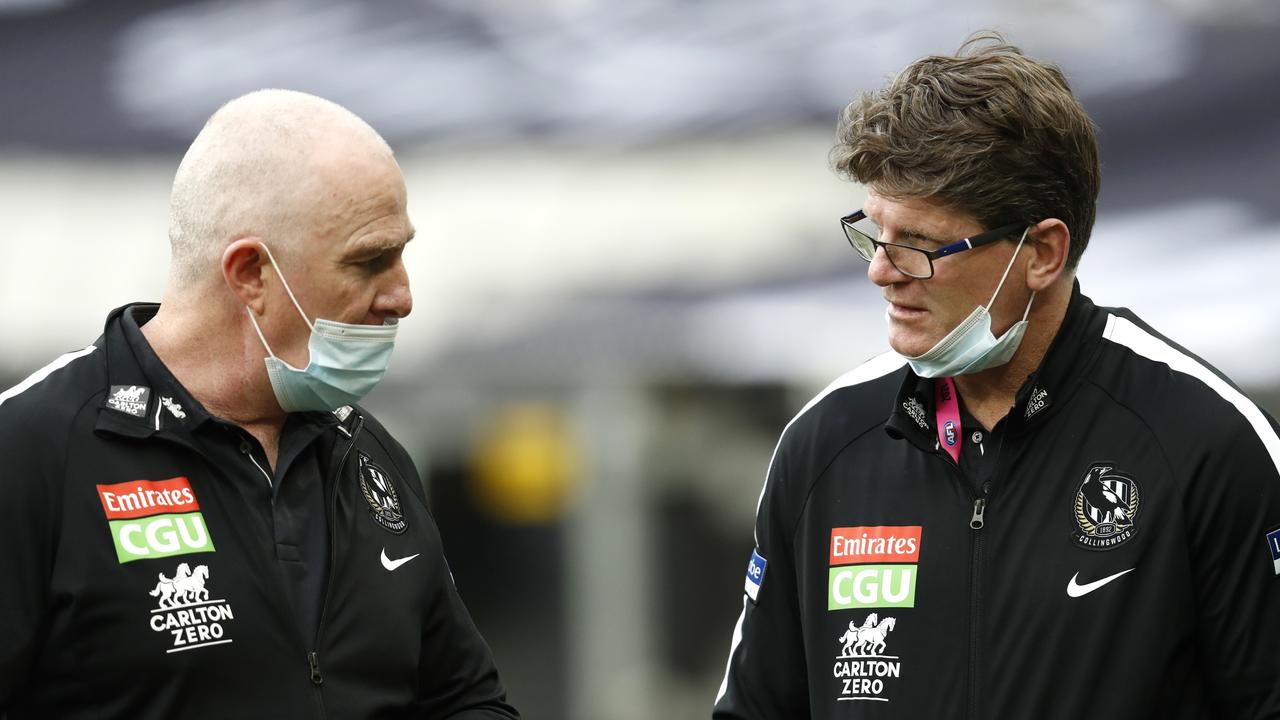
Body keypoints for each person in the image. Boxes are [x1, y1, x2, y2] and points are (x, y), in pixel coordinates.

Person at [713, 33, 1280, 719]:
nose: (880, 271)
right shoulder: (824, 446)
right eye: (873, 233)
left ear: (1043, 252)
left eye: (919, 246)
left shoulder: (1205, 440)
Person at [0, 89, 520, 719]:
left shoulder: (368, 455)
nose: (403, 295)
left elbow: (464, 699)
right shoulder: (31, 450)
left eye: (402, 253)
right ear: (250, 273)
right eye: (370, 261)